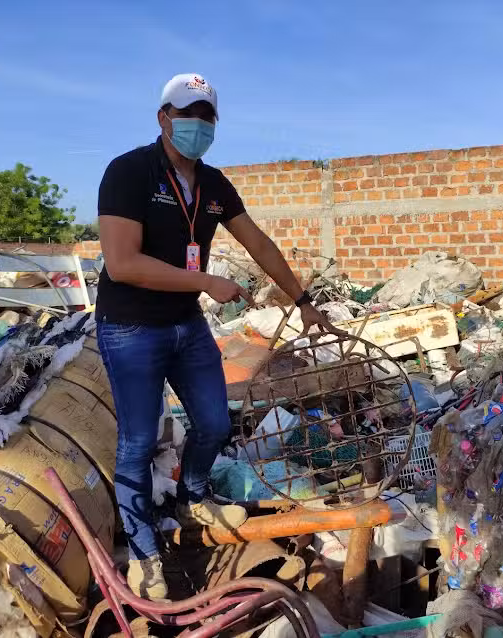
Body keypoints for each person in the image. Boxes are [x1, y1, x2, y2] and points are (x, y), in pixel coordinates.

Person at [96, 73, 339, 599]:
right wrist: (206, 280)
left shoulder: (212, 184)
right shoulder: (129, 172)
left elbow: (258, 242)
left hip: (185, 323)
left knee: (213, 420)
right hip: (131, 327)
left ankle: (193, 495)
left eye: (208, 117)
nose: (199, 126)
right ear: (164, 117)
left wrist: (302, 301)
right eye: (189, 115)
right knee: (138, 442)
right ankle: (143, 552)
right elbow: (121, 263)